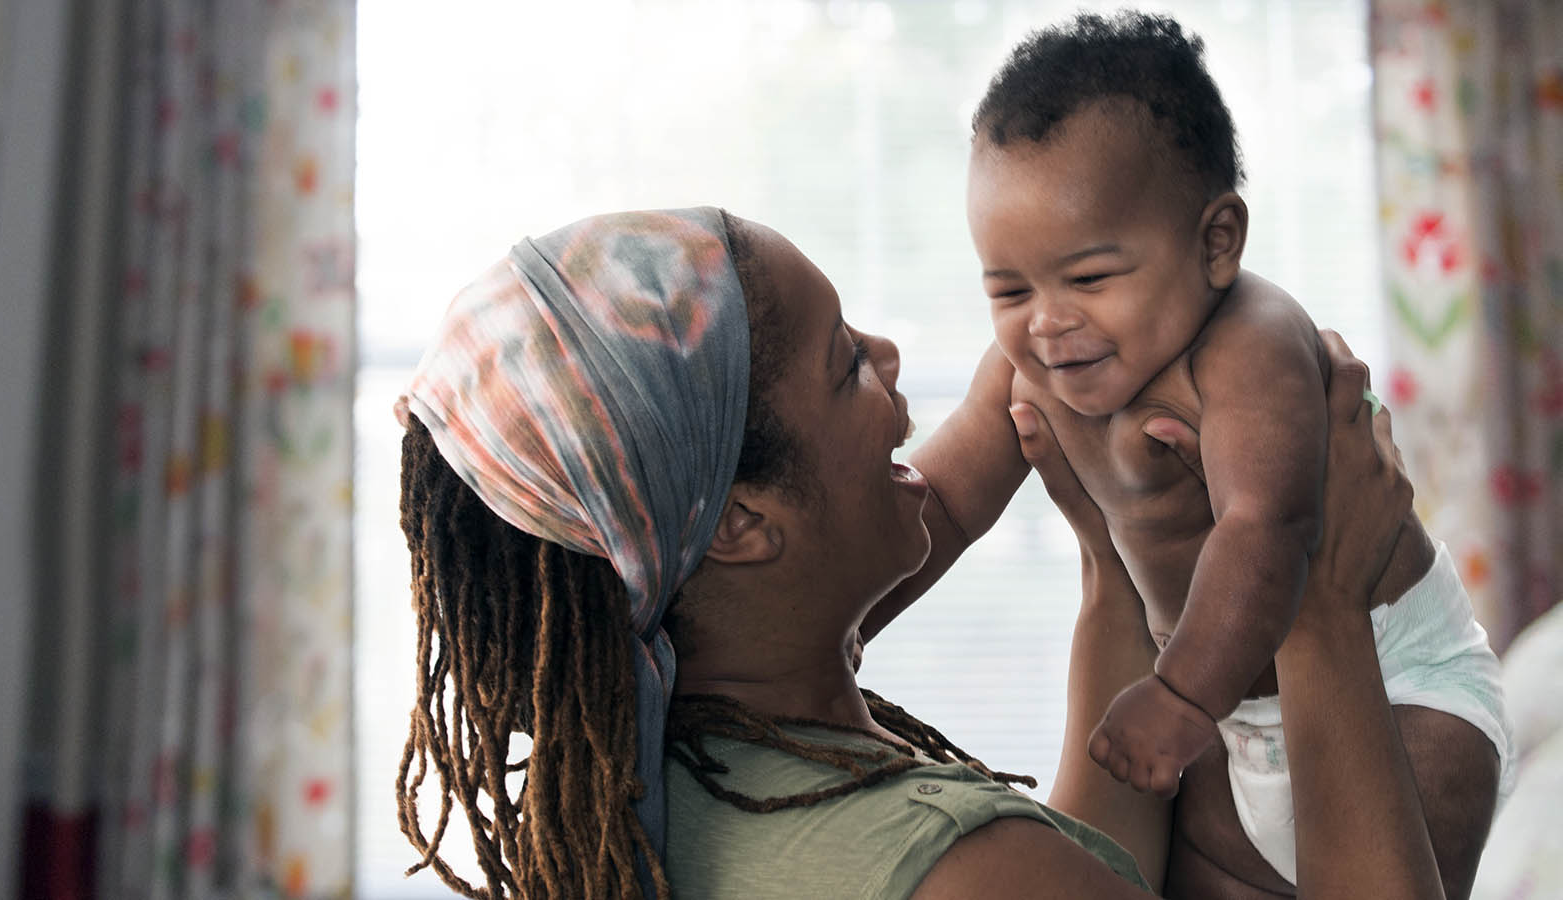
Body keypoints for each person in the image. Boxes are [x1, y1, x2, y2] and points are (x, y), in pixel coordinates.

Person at [392, 205, 1451, 898]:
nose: (891, 357)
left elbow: (1097, 869)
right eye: (846, 361)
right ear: (741, 524)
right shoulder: (972, 874)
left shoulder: (661, 769)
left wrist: (1114, 563)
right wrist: (1315, 602)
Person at [936, 11, 1512, 895]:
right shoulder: (1032, 364)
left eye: (1089, 279)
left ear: (1216, 243)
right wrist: (846, 622)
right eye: (1009, 288)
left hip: (1395, 679)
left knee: (1403, 843)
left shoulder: (1251, 345)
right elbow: (945, 499)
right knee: (1194, 870)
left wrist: (1178, 698)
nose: (1047, 321)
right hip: (1224, 703)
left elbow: (1266, 527)